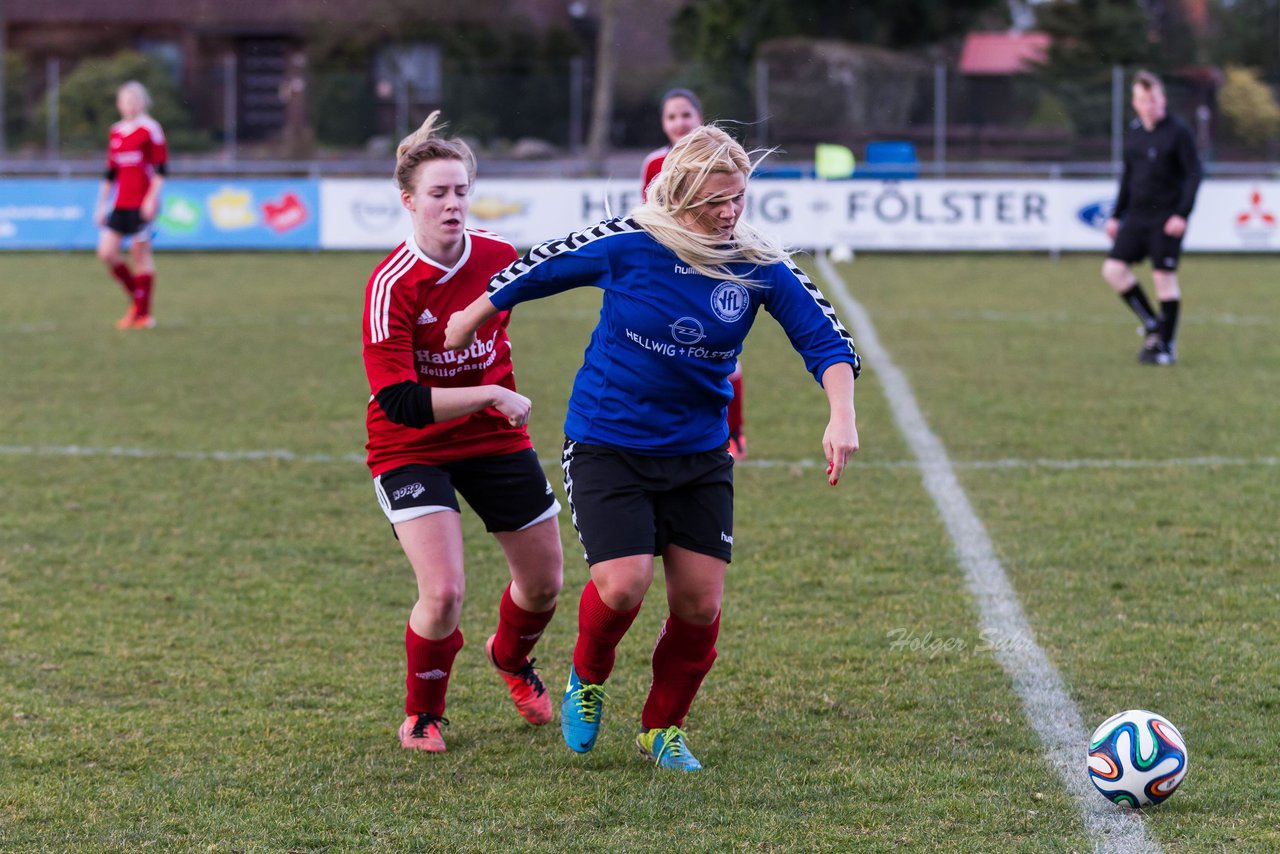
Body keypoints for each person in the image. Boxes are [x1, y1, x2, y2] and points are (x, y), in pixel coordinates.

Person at [445, 125, 861, 771]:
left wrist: (841, 415)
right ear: (682, 194)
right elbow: (541, 264)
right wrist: (474, 314)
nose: (730, 212)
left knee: (700, 602)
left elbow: (826, 340)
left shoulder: (756, 262)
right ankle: (588, 679)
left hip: (698, 453)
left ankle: (661, 727)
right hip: (608, 441)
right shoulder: (631, 242)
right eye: (716, 200)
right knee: (622, 585)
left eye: (739, 198)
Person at [362, 112, 564, 753]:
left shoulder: (500, 257)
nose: (452, 204)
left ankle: (510, 658)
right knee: (444, 591)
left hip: (496, 439)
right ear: (408, 202)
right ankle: (423, 714)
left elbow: (570, 269)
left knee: (544, 585)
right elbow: (399, 401)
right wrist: (490, 392)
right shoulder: (391, 285)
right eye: (437, 193)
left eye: (460, 191)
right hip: (410, 447)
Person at [642, 89, 750, 460]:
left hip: (715, 266)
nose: (679, 123)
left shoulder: (725, 160)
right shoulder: (655, 163)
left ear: (700, 117)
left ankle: (733, 434)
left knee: (726, 355)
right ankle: (665, 429)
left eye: (685, 115)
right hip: (670, 272)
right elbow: (649, 218)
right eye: (671, 117)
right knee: (666, 351)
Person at [1102, 70, 1201, 366]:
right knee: (1113, 270)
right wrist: (1116, 215)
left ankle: (1166, 348)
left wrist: (1181, 214)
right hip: (1136, 217)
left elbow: (1194, 175)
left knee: (1164, 279)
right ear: (1135, 102)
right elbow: (1128, 177)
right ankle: (1152, 323)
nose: (1150, 105)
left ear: (1163, 99)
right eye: (1144, 100)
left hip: (1166, 219)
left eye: (1154, 99)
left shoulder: (1178, 132)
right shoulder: (1134, 133)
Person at [95, 81, 168, 330]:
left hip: (142, 203)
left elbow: (161, 169)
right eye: (126, 100)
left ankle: (144, 315)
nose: (131, 105)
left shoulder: (151, 129)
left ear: (143, 102)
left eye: (135, 100)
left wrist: (151, 198)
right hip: (120, 203)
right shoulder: (115, 131)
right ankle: (138, 300)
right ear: (119, 104)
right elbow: (111, 172)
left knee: (140, 254)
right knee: (106, 253)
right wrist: (101, 204)